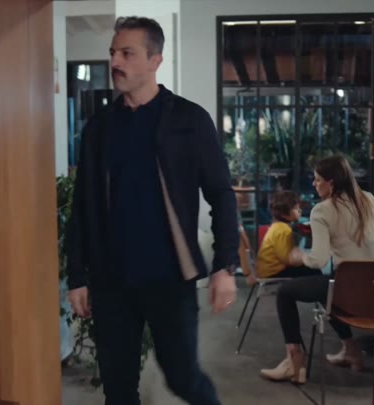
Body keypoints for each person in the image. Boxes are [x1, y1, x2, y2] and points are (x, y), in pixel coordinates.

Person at [66, 16, 239, 405]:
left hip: (169, 279)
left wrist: (225, 265)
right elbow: (83, 206)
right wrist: (77, 275)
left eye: (127, 53)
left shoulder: (188, 120)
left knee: (183, 379)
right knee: (118, 388)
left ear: (155, 60)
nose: (115, 62)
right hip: (111, 281)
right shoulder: (100, 128)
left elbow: (221, 194)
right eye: (113, 52)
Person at [260, 155, 374, 384]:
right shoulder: (368, 199)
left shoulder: (322, 211)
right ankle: (350, 350)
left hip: (347, 298)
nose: (314, 184)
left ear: (331, 183)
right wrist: (365, 236)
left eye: (318, 179)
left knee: (286, 292)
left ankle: (294, 362)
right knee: (327, 285)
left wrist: (302, 256)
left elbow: (318, 260)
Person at [254, 190, 316, 281]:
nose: (300, 210)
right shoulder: (283, 230)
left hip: (268, 272)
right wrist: (305, 257)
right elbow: (288, 260)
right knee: (314, 272)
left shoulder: (277, 226)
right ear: (284, 214)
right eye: (295, 208)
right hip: (273, 273)